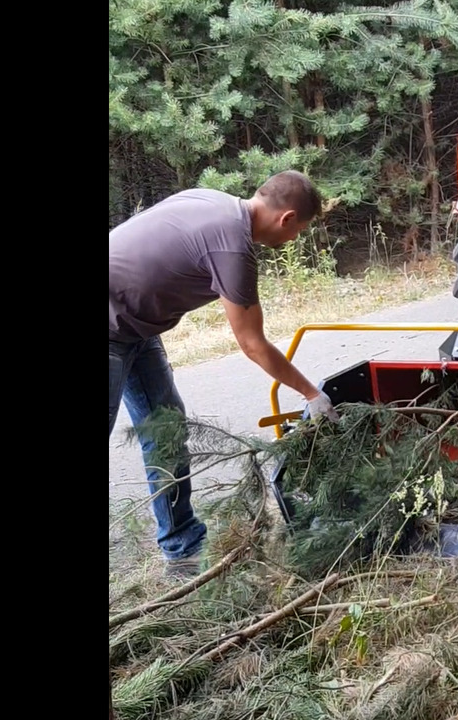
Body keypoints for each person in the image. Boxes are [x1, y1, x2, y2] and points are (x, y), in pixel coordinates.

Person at [109, 170, 340, 578]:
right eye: (299, 231)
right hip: (113, 325)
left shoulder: (211, 199)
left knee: (165, 430)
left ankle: (181, 548)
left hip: (136, 327)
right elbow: (252, 343)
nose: (294, 239)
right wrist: (311, 394)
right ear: (286, 219)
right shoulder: (234, 249)